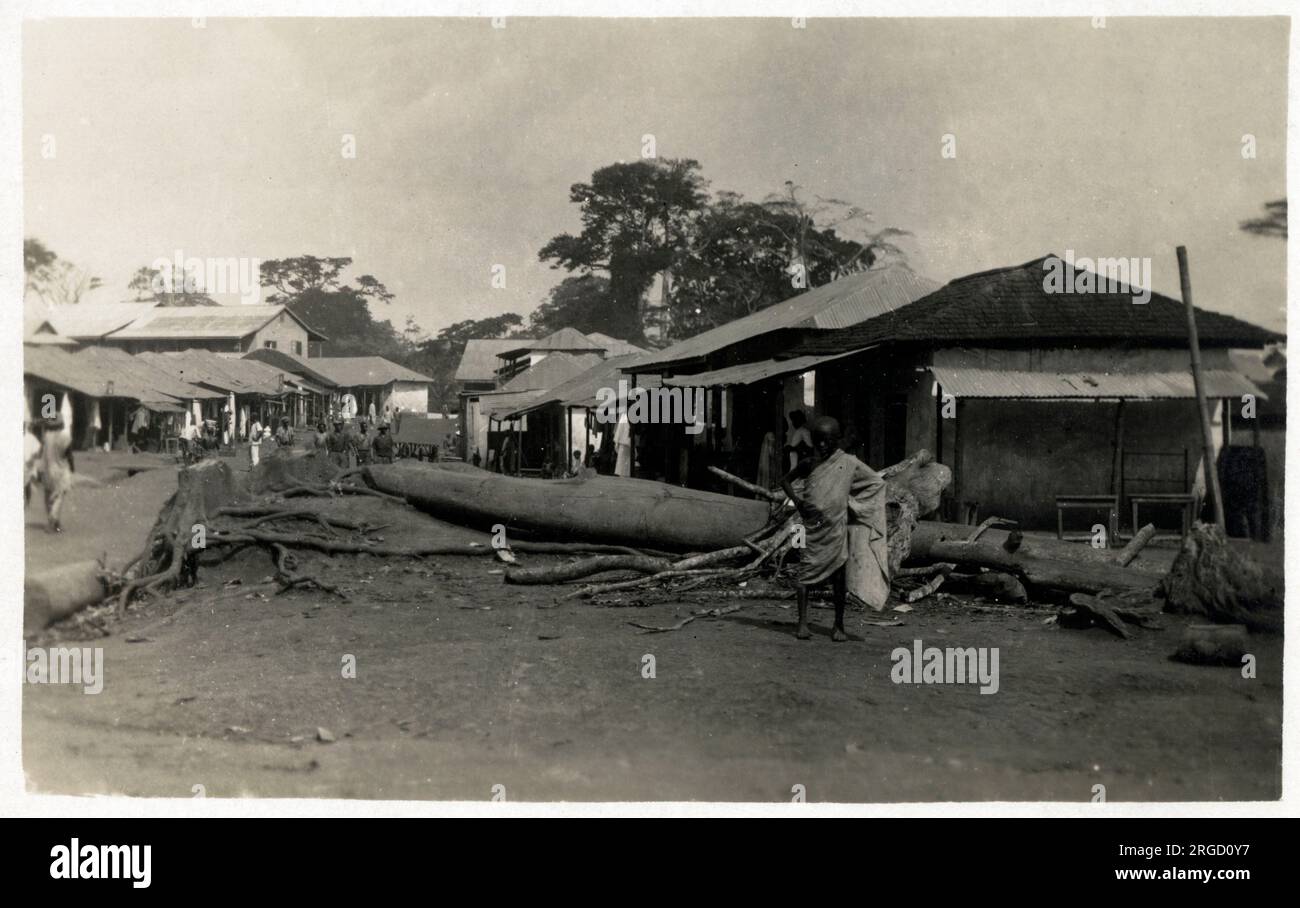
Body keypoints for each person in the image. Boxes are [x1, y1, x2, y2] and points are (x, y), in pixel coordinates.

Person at [780, 416, 888, 642]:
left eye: (827, 441)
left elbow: (876, 483)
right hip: (812, 528)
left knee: (839, 577)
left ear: (836, 440)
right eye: (818, 440)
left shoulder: (848, 463)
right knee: (805, 572)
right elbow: (785, 481)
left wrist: (852, 504)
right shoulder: (809, 463)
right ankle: (802, 624)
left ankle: (838, 625)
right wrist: (798, 503)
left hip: (837, 529)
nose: (822, 445)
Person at [41, 411, 74, 533]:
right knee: (58, 497)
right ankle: (52, 521)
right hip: (60, 470)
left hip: (47, 469)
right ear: (61, 424)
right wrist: (72, 468)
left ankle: (56, 523)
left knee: (48, 496)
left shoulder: (46, 436)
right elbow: (69, 455)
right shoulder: (65, 437)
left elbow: (42, 453)